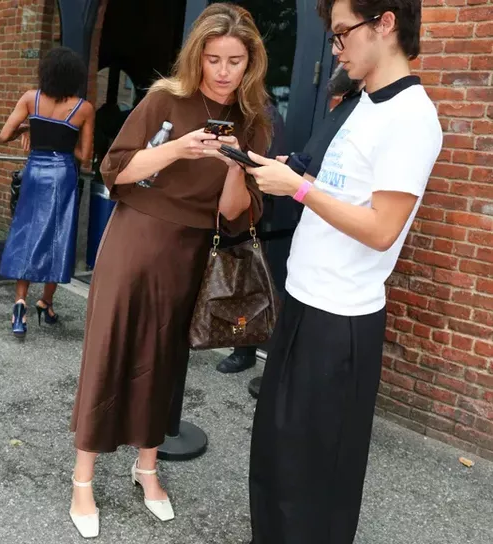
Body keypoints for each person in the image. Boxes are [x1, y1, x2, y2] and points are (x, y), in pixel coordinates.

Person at [69, 3, 270, 538]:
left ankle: (147, 468)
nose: (223, 71)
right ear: (197, 56)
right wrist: (179, 148)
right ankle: (83, 479)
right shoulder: (165, 99)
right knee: (110, 350)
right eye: (213, 59)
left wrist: (236, 165)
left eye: (234, 61)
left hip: (191, 250)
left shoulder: (253, 121)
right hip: (134, 239)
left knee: (163, 361)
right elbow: (115, 170)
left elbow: (235, 213)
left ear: (251, 63)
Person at [244, 0, 442, 542]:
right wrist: (279, 173)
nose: (336, 49)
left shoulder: (412, 117)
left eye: (341, 34)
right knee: (276, 458)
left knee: (315, 479)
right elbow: (328, 184)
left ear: (385, 23)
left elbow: (382, 228)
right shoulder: (359, 104)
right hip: (304, 298)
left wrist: (299, 191)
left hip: (341, 320)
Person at [244, 62, 365, 397]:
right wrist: (296, 166)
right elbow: (317, 164)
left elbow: (377, 225)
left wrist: (297, 184)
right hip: (309, 248)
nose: (338, 54)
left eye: (342, 41)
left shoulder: (366, 113)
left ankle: (262, 362)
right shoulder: (344, 109)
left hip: (334, 265)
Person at [0, 46, 95, 338]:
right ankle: (46, 302)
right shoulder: (84, 108)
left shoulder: (31, 98)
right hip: (62, 174)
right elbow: (85, 156)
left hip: (34, 172)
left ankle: (20, 303)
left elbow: (3, 136)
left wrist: (27, 129)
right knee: (57, 236)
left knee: (27, 233)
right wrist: (65, 142)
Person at [216, 102, 286, 375]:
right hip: (220, 205)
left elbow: (266, 163)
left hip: (249, 208)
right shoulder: (226, 110)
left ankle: (243, 349)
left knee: (246, 283)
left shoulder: (265, 114)